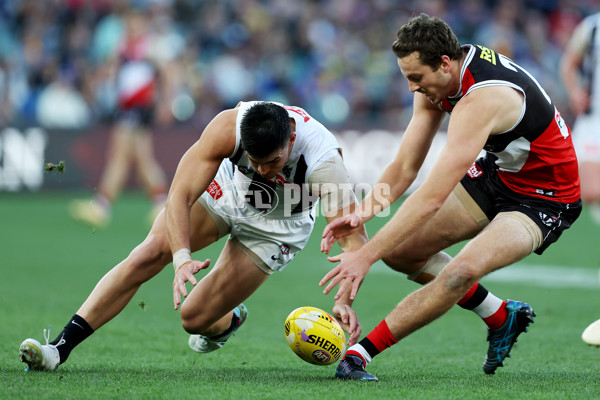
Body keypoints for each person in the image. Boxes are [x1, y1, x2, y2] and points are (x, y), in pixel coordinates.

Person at [320, 14, 581, 381]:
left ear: (444, 63)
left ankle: (359, 355)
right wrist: (363, 213)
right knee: (401, 253)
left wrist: (365, 256)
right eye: (407, 77)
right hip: (499, 174)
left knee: (460, 272)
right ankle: (500, 315)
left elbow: (429, 197)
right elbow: (406, 166)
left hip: (544, 198)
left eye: (416, 78)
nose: (412, 88)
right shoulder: (441, 79)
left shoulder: (481, 99)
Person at [19, 101, 367, 371]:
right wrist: (181, 255)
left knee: (194, 319)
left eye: (272, 162)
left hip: (277, 227)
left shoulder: (324, 163)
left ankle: (228, 321)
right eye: (255, 160)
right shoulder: (228, 127)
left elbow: (354, 244)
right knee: (147, 254)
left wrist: (343, 303)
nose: (262, 170)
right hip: (227, 192)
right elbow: (179, 195)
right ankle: (58, 350)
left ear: (291, 138)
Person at [69, 10, 176, 227]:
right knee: (139, 157)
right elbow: (115, 70)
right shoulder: (123, 44)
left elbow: (168, 73)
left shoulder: (151, 45)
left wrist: (166, 102)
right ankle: (161, 204)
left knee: (120, 155)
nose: (131, 26)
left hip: (138, 107)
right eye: (129, 21)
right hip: (127, 106)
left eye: (135, 21)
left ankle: (102, 207)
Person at [560, 12, 600, 225]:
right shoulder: (592, 27)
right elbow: (568, 64)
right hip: (594, 120)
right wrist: (575, 92)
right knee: (591, 192)